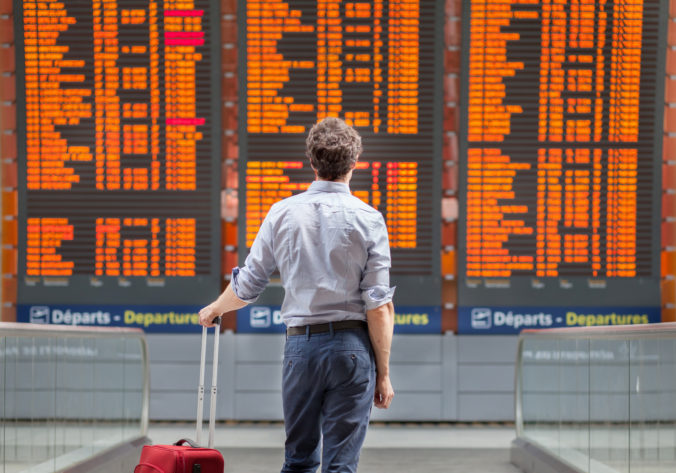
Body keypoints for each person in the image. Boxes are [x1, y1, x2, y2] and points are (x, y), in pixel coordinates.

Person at [199, 116, 395, 473]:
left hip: (301, 349)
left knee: (299, 461)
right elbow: (379, 306)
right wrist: (382, 373)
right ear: (354, 163)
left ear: (311, 162)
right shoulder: (370, 218)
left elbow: (248, 285)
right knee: (341, 466)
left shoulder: (282, 213)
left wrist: (215, 308)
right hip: (352, 350)